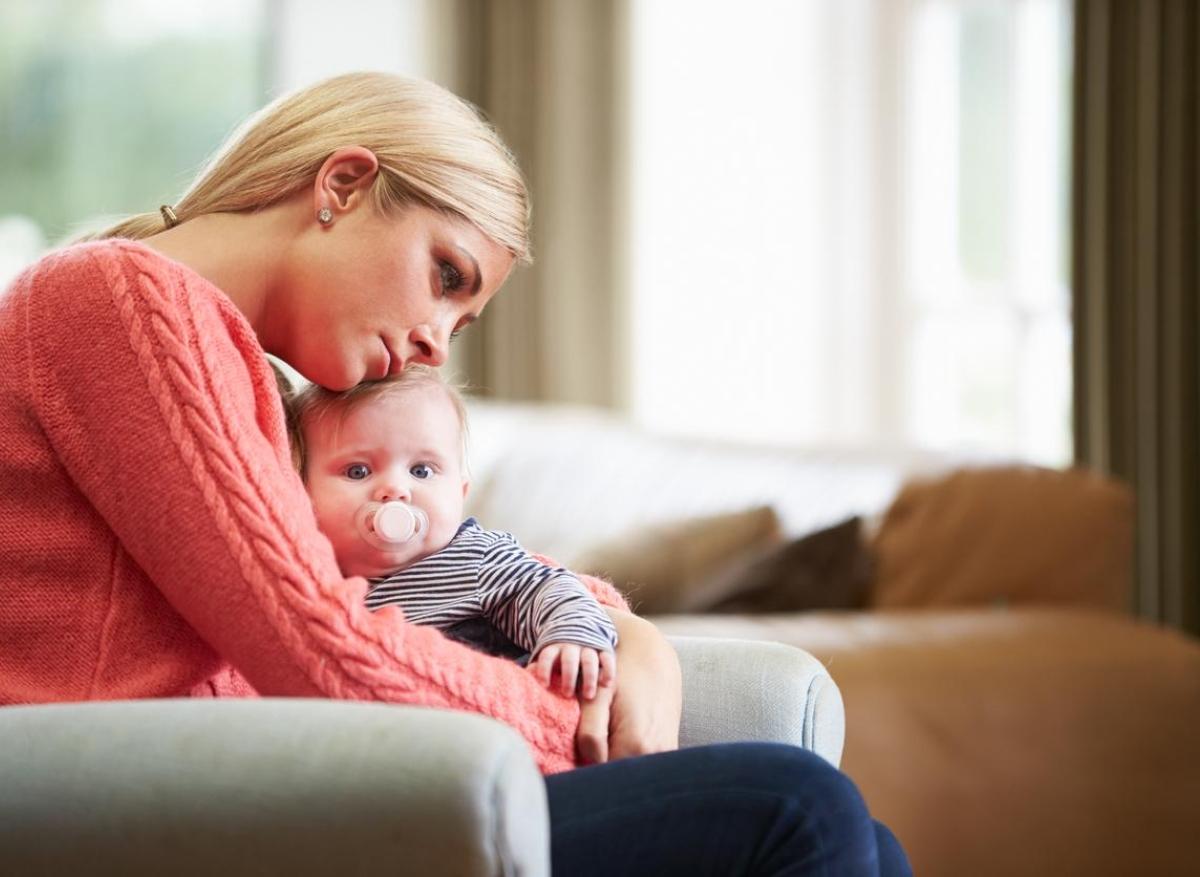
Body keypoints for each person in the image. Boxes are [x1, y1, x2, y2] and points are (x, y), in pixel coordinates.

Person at [0, 71, 911, 874]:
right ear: (344, 185)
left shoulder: (244, 375)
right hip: (157, 807)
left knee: (871, 840)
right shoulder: (119, 301)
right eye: (446, 275)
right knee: (798, 807)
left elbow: (397, 574)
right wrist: (580, 721)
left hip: (269, 784)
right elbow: (317, 641)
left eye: (462, 318)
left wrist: (620, 631)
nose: (437, 339)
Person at [285, 364, 618, 702]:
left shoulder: (475, 558)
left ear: (460, 493)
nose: (395, 489)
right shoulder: (311, 577)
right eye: (358, 471)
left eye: (421, 470)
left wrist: (570, 636)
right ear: (302, 489)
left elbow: (549, 587)